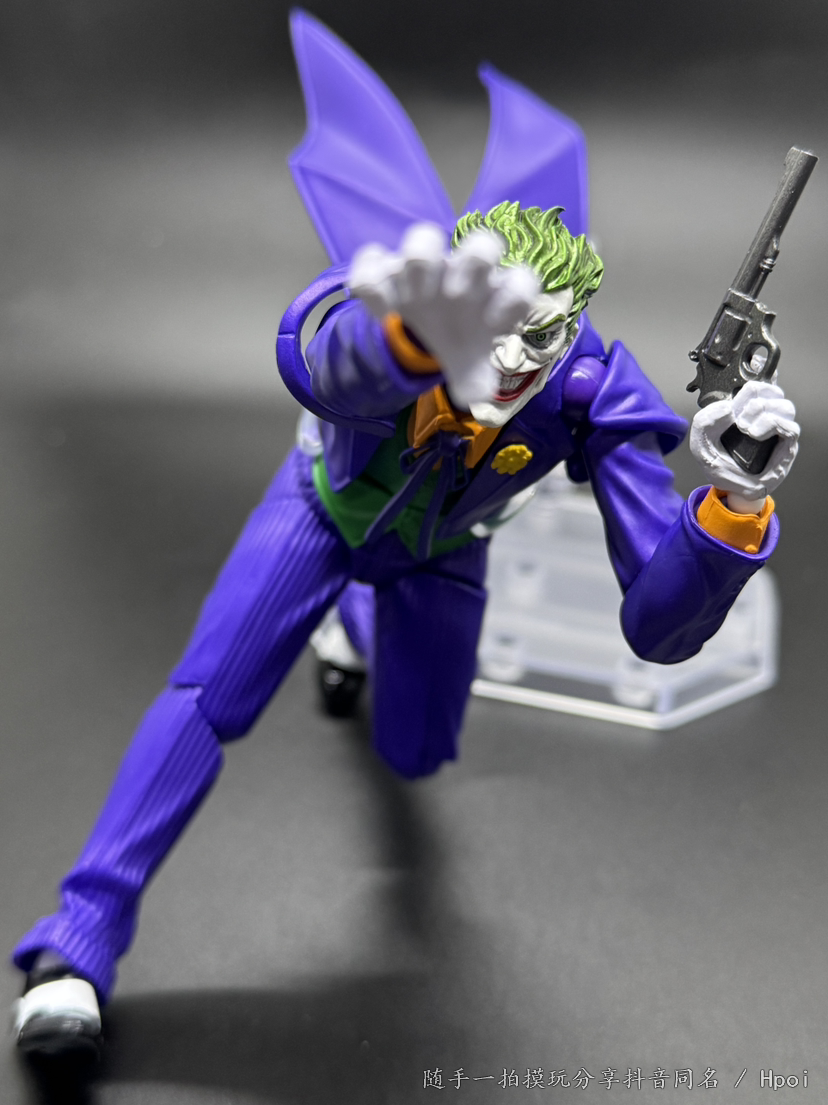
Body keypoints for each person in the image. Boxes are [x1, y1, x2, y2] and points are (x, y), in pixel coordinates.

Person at [10, 14, 800, 1058]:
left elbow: (658, 627)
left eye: (542, 334)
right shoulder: (397, 317)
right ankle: (78, 937)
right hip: (318, 514)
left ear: (573, 329)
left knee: (416, 748)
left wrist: (732, 505)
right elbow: (321, 361)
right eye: (494, 325)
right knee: (206, 699)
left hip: (441, 555)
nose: (511, 359)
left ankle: (354, 625)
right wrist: (410, 338)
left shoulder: (588, 392)